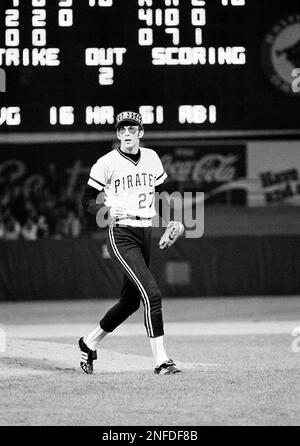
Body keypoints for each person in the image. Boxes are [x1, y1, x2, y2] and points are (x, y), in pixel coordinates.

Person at [79, 111, 183, 375]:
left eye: (132, 129)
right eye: (122, 129)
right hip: (121, 231)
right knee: (152, 294)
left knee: (130, 302)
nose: (127, 133)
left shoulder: (152, 157)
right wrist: (105, 211)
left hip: (145, 230)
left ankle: (89, 342)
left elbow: (160, 196)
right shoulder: (106, 162)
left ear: (141, 133)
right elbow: (87, 200)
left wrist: (173, 220)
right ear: (117, 134)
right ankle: (161, 362)